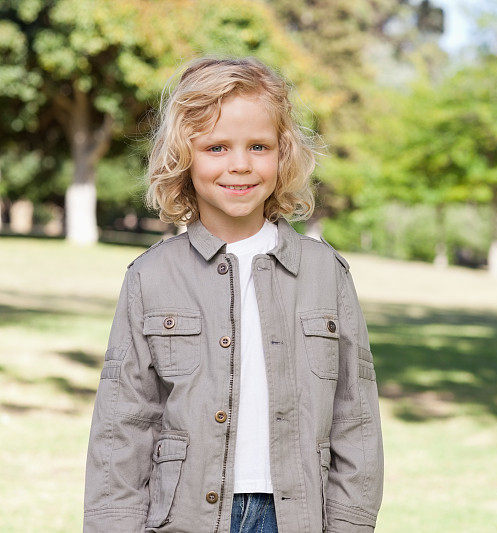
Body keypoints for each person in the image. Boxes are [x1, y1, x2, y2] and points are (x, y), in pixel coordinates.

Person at [83, 55, 384, 533]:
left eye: (259, 146)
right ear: (184, 157)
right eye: (217, 147)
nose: (240, 165)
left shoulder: (327, 273)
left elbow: (356, 417)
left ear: (284, 155)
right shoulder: (150, 276)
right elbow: (123, 426)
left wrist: (350, 523)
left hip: (296, 519)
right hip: (184, 518)